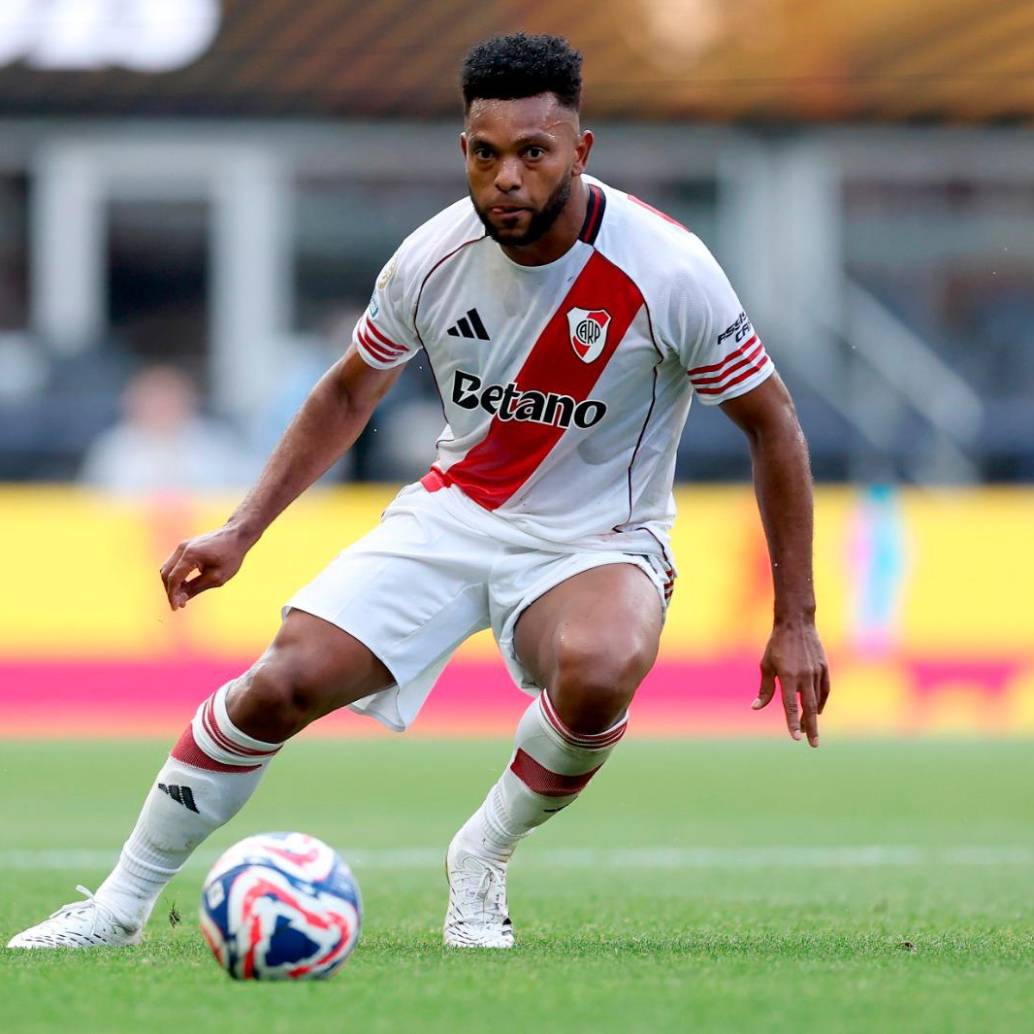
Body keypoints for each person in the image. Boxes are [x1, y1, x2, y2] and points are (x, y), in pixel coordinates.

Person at [9, 33, 830, 951]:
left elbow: (774, 425)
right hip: (454, 514)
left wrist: (794, 616)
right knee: (281, 683)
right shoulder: (431, 259)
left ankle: (482, 854)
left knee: (600, 672)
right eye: (486, 154)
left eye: (533, 152)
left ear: (580, 152)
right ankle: (117, 908)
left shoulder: (668, 271)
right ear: (464, 150)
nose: (507, 178)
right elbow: (349, 390)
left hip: (601, 536)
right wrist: (241, 531)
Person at [80, 365, 256, 494]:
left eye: (168, 400)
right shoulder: (113, 450)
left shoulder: (218, 446)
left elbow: (247, 495)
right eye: (153, 401)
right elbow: (90, 505)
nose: (161, 408)